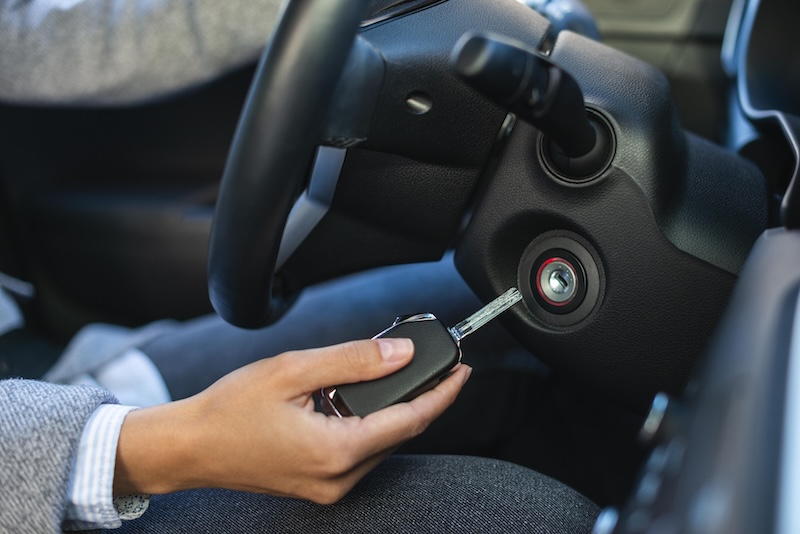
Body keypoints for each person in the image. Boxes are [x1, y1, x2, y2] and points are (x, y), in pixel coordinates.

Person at [0, 0, 601, 532]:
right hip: (50, 485)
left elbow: (73, 32)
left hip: (47, 387)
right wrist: (163, 447)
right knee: (531, 518)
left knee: (485, 302)